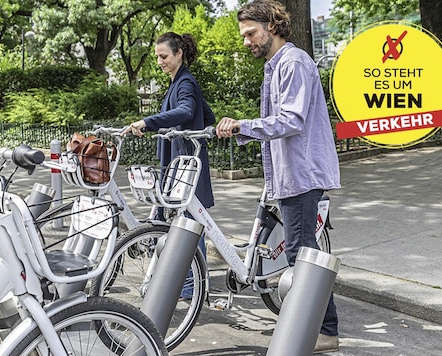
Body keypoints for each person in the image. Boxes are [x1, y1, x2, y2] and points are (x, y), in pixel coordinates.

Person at [215, 0, 341, 353]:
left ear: (271, 25)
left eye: (251, 33)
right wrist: (242, 131)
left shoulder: (294, 62)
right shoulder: (276, 66)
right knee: (302, 253)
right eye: (243, 35)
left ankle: (326, 331)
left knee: (302, 254)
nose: (246, 41)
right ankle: (316, 324)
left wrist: (244, 125)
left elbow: (292, 120)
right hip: (290, 174)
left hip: (303, 173)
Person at [125, 32, 215, 298]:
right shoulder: (179, 82)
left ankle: (192, 287)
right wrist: (195, 131)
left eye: (163, 56)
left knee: (191, 224)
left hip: (186, 165)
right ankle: (193, 284)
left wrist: (149, 122)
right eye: (157, 57)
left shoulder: (185, 82)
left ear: (179, 54)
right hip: (181, 163)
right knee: (189, 222)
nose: (160, 61)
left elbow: (188, 111)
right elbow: (205, 114)